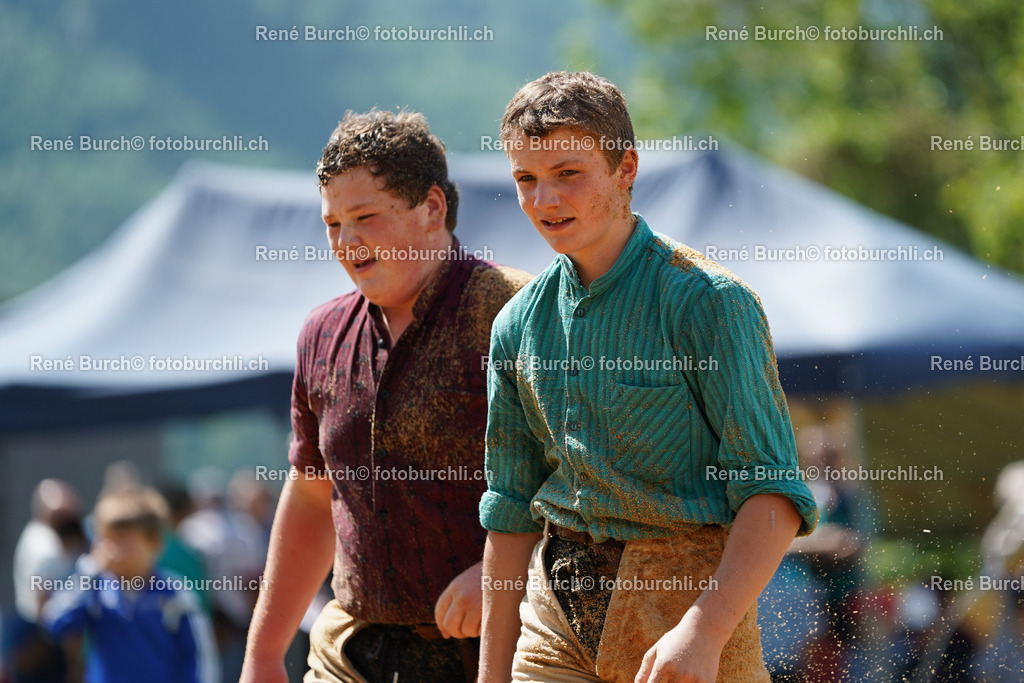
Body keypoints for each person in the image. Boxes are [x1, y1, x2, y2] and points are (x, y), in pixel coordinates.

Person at [478, 71, 820, 682]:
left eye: (568, 174)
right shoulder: (515, 326)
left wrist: (707, 629)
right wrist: (489, 675)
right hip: (552, 615)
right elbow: (509, 511)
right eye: (525, 180)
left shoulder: (709, 302)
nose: (543, 200)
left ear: (626, 168)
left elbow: (772, 491)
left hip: (685, 605)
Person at [240, 110, 531, 683]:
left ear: (432, 209)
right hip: (355, 652)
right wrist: (264, 652)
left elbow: (583, 481)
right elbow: (310, 496)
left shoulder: (518, 313)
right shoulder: (320, 335)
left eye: (365, 217)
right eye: (332, 224)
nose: (346, 242)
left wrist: (500, 575)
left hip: (506, 652)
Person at [40, 486, 219, 683]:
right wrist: (89, 570)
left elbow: (199, 658)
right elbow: (55, 623)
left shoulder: (174, 595)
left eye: (126, 543)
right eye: (108, 542)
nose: (116, 552)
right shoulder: (94, 589)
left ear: (154, 543)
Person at [8, 479, 86, 683]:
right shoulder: (47, 547)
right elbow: (43, 595)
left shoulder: (34, 532)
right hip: (41, 634)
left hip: (32, 628)